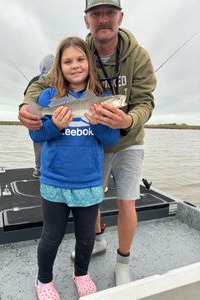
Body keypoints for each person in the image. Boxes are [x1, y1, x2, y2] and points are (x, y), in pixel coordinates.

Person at [19, 0, 157, 287]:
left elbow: (145, 102)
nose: (103, 19)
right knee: (88, 205)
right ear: (87, 20)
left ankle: (122, 261)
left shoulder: (138, 56)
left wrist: (127, 120)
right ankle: (91, 245)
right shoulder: (82, 50)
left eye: (109, 13)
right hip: (88, 147)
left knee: (126, 201)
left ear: (121, 16)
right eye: (96, 13)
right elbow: (43, 84)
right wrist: (28, 105)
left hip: (128, 137)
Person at [29, 36, 119, 299]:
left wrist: (98, 123)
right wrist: (54, 125)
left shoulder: (100, 98)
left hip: (89, 182)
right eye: (67, 61)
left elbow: (112, 140)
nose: (75, 65)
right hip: (55, 182)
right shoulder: (48, 96)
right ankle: (43, 280)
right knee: (51, 237)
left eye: (80, 59)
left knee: (86, 237)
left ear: (89, 63)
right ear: (59, 65)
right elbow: (37, 136)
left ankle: (81, 273)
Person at [24, 54, 54, 178]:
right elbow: (27, 97)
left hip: (51, 118)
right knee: (39, 142)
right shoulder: (36, 81)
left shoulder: (34, 79)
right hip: (37, 118)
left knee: (42, 144)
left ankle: (40, 169)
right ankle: (40, 169)